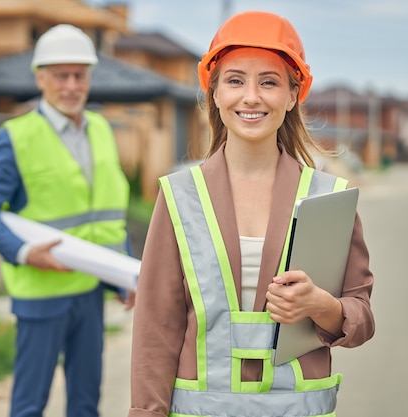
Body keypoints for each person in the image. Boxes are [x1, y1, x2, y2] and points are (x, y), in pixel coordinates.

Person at [127, 11, 375, 417]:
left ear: (293, 95)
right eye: (235, 80)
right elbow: (156, 330)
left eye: (269, 82)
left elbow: (361, 319)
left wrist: (320, 305)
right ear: (215, 92)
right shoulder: (180, 196)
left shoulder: (328, 198)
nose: (251, 97)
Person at [0, 24, 135, 417]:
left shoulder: (103, 130)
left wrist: (125, 276)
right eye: (61, 75)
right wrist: (24, 252)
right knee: (29, 406)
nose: (72, 85)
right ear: (40, 78)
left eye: (80, 75)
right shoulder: (17, 136)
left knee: (86, 404)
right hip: (42, 294)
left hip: (90, 291)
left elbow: (108, 214)